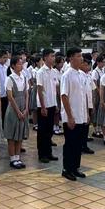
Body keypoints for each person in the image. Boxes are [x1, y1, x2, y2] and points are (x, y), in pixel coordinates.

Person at [60, 48, 87, 181]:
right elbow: (64, 96)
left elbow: (83, 96)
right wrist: (70, 116)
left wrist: (86, 113)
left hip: (81, 116)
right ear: (71, 58)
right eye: (78, 56)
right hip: (71, 116)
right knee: (70, 143)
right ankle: (67, 169)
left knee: (78, 144)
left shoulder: (81, 74)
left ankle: (75, 167)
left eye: (81, 56)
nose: (81, 58)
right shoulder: (67, 75)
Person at [4, 56, 29, 169]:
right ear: (13, 66)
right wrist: (18, 111)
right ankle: (12, 158)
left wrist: (26, 108)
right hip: (13, 109)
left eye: (21, 64)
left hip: (23, 106)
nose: (21, 66)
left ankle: (18, 157)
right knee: (12, 134)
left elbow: (26, 93)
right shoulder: (10, 78)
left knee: (20, 134)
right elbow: (10, 96)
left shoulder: (23, 77)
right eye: (19, 64)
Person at [36, 49, 58, 164]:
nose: (53, 58)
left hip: (52, 104)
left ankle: (49, 152)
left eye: (54, 56)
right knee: (42, 131)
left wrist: (56, 104)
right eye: (51, 56)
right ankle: (42, 154)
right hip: (43, 106)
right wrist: (43, 106)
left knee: (50, 130)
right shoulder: (40, 72)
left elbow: (55, 90)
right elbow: (40, 90)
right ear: (45, 58)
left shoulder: (54, 72)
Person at [80, 57, 95, 154]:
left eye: (89, 65)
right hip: (82, 105)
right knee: (82, 126)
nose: (88, 67)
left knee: (86, 127)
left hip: (89, 104)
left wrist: (92, 104)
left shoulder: (89, 76)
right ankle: (81, 145)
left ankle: (84, 145)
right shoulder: (80, 76)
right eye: (86, 64)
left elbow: (92, 90)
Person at [91, 55, 105, 139]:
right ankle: (96, 129)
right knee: (95, 110)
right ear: (98, 62)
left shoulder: (103, 71)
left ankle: (100, 129)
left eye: (104, 62)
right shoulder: (95, 72)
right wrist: (99, 91)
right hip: (96, 93)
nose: (103, 63)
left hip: (101, 93)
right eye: (102, 62)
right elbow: (94, 83)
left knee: (100, 111)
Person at [0, 49, 10, 126]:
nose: (6, 59)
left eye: (6, 57)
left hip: (6, 94)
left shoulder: (6, 67)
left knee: (5, 113)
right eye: (4, 57)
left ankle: (4, 130)